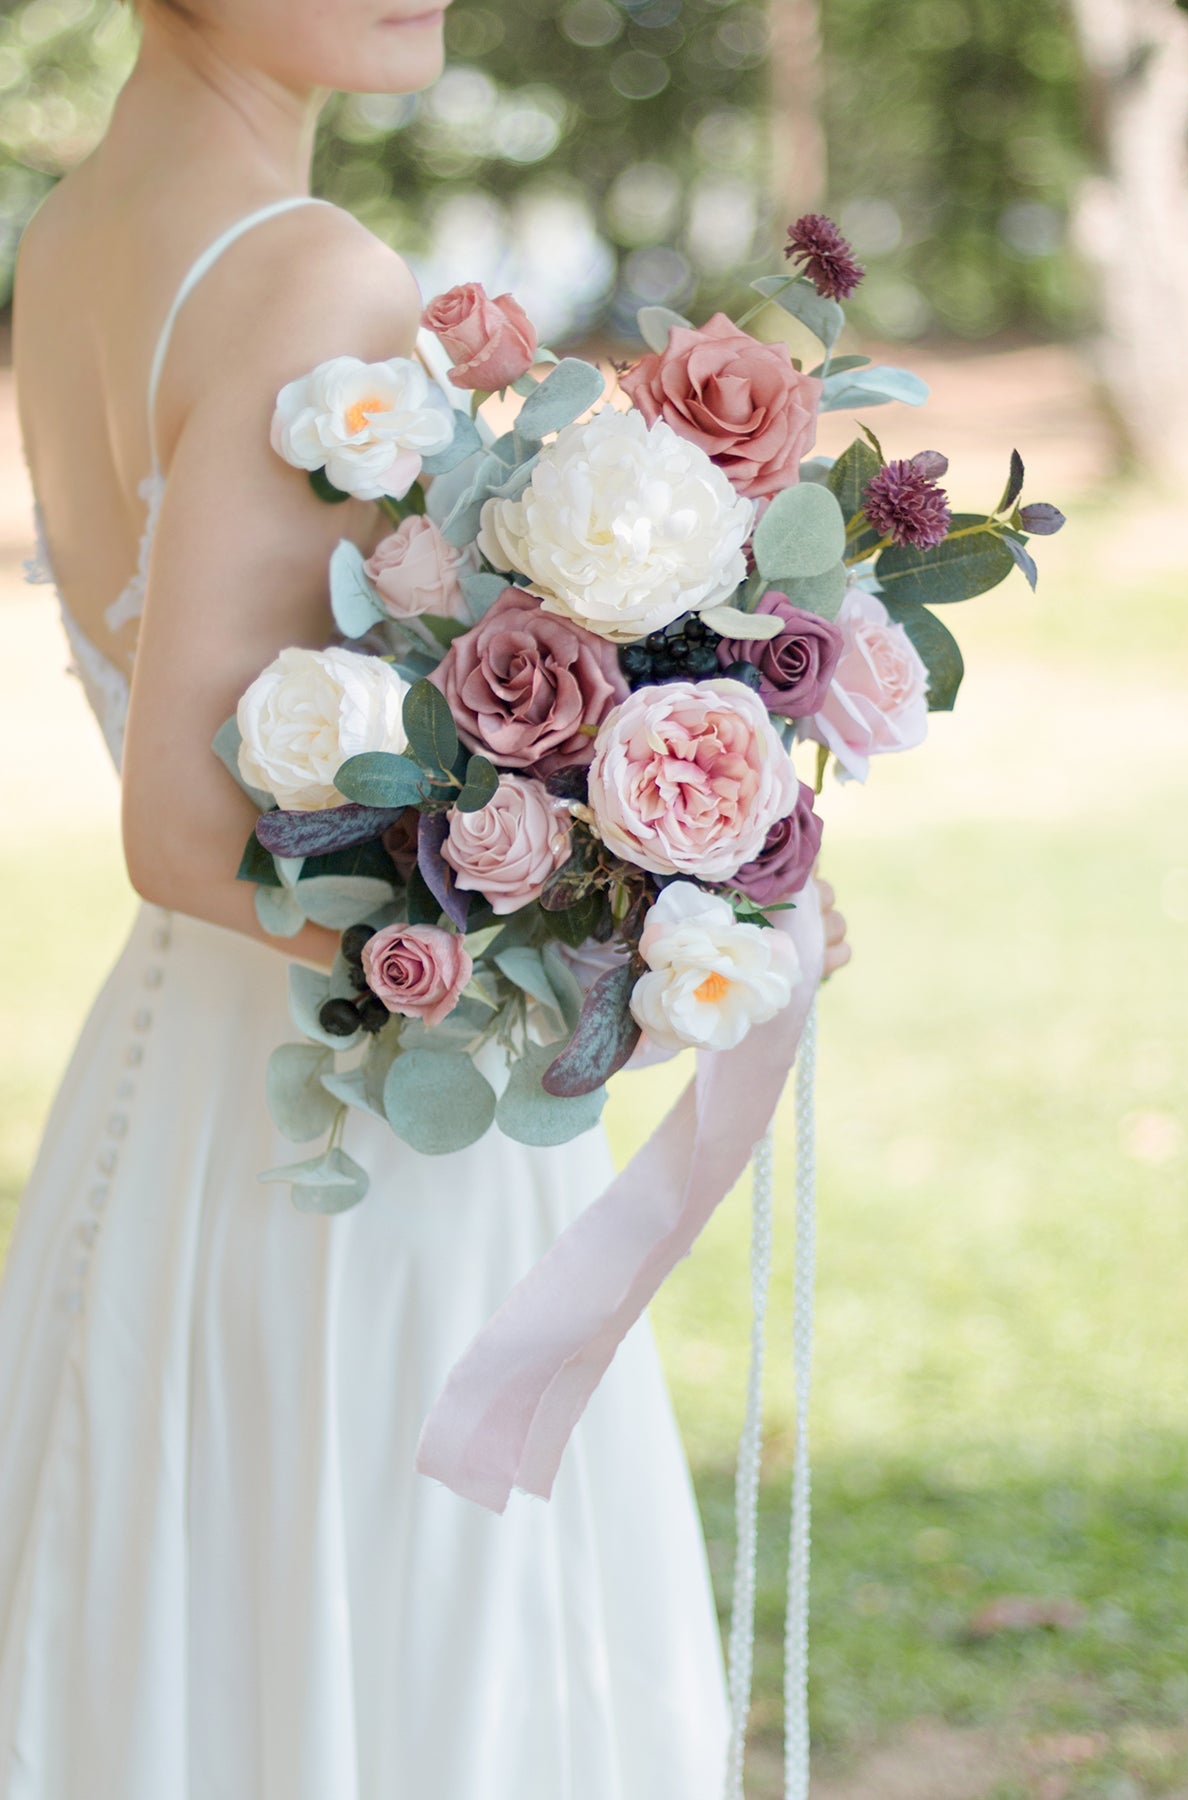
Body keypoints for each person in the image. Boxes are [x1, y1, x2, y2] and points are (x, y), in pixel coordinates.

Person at [1, 1, 850, 1793]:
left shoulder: (78, 232)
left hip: (168, 1105)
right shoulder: (309, 271)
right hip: (359, 1145)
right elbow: (182, 825)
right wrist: (609, 924)